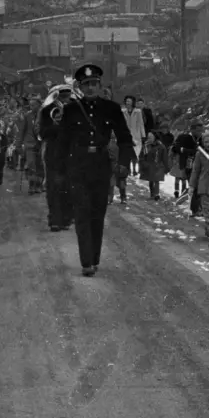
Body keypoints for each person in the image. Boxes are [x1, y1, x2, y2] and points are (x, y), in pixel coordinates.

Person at [52, 64, 134, 276]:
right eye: (86, 85)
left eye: (94, 84)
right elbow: (61, 143)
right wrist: (57, 171)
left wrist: (124, 163)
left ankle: (94, 258)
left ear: (100, 85)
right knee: (81, 213)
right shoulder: (70, 110)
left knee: (97, 214)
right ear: (79, 86)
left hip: (101, 166)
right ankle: (86, 261)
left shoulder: (111, 109)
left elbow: (125, 139)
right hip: (77, 167)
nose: (90, 89)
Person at [38, 85, 73, 231]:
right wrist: (57, 125)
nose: (65, 100)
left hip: (70, 152)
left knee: (69, 186)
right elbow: (42, 133)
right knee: (53, 187)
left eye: (67, 96)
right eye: (62, 96)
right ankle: (54, 219)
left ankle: (66, 218)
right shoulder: (47, 110)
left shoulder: (75, 109)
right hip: (53, 151)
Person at [15, 96, 44, 194]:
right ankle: (31, 185)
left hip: (41, 144)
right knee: (31, 164)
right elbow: (21, 131)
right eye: (30, 105)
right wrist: (18, 145)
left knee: (40, 165)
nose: (31, 107)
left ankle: (39, 185)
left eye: (33, 105)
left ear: (39, 105)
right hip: (30, 144)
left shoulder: (45, 115)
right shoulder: (27, 116)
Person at [139, 130, 168, 201]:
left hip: (159, 166)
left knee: (157, 180)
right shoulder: (146, 146)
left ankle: (156, 194)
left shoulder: (161, 146)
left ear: (155, 137)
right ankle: (152, 194)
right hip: (150, 165)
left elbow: (164, 157)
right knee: (151, 180)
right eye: (148, 137)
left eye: (151, 137)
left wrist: (167, 167)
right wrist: (144, 164)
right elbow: (142, 156)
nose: (149, 138)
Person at [121, 95, 146, 176]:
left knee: (135, 153)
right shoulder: (122, 111)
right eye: (126, 101)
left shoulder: (138, 111)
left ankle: (135, 169)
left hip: (136, 135)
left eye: (129, 101)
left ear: (132, 102)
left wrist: (143, 135)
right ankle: (127, 169)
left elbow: (141, 124)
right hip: (126, 135)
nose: (127, 102)